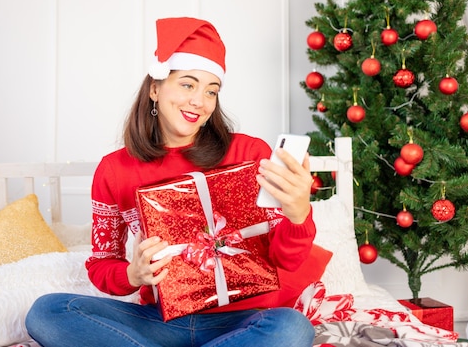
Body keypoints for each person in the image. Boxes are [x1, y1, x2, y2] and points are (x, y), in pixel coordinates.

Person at [25, 17, 317, 347]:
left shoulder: (250, 152)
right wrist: (133, 275)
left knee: (292, 328)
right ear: (155, 88)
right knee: (48, 311)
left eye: (211, 91)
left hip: (243, 322)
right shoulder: (114, 170)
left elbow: (288, 260)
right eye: (188, 85)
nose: (200, 101)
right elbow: (101, 265)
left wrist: (298, 214)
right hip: (160, 322)